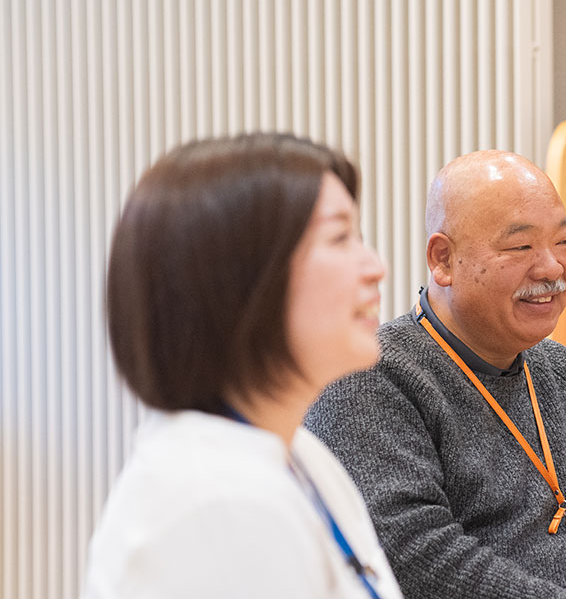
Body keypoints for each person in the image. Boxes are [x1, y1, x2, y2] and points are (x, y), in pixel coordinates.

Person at [306, 150, 566, 598]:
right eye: (520, 246)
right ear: (443, 260)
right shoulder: (371, 378)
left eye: (564, 242)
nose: (552, 267)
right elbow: (415, 558)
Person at [83, 133, 403, 599]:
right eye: (340, 237)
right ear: (241, 282)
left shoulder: (300, 454)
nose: (376, 266)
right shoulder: (217, 504)